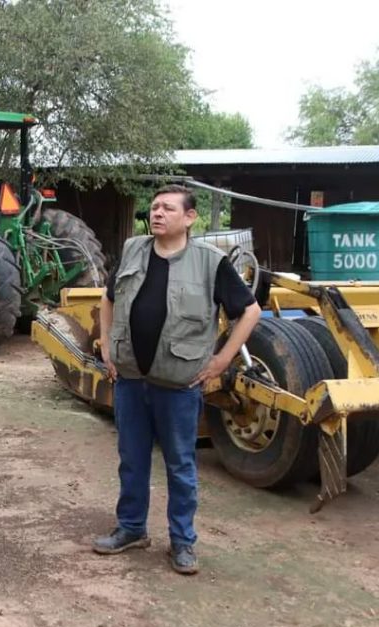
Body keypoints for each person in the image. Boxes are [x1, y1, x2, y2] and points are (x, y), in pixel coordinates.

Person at [93, 184, 261, 575]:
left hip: (179, 384)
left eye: (167, 208)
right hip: (132, 379)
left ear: (189, 218)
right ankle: (132, 528)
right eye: (153, 208)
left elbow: (250, 312)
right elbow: (109, 296)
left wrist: (222, 359)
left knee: (180, 466)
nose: (156, 213)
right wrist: (105, 344)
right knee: (131, 460)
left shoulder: (209, 262)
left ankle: (182, 541)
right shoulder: (134, 249)